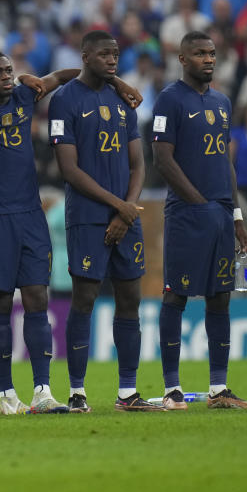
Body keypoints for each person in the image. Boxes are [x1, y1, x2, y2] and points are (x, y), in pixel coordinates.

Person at [0, 49, 108, 415]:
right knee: (0, 302)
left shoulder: (24, 94)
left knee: (37, 299)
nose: (6, 77)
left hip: (30, 214)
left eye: (9, 71)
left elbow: (62, 76)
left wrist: (114, 80)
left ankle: (42, 391)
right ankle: (6, 394)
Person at [48, 30, 161, 413]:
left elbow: (138, 164)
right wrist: (119, 207)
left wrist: (127, 209)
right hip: (88, 218)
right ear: (84, 56)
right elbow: (69, 169)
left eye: (116, 54)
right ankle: (77, 392)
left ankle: (127, 392)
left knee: (130, 299)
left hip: (125, 217)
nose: (112, 60)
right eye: (104, 54)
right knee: (84, 299)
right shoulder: (64, 100)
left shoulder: (122, 99)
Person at [151, 31, 247, 411]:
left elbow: (225, 162)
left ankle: (218, 389)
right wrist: (199, 204)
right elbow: (163, 159)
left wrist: (236, 216)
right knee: (175, 296)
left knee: (220, 298)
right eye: (199, 54)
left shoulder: (223, 102)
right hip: (186, 214)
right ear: (182, 59)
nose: (208, 59)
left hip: (220, 214)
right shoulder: (169, 99)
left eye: (212, 53)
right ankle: (172, 389)